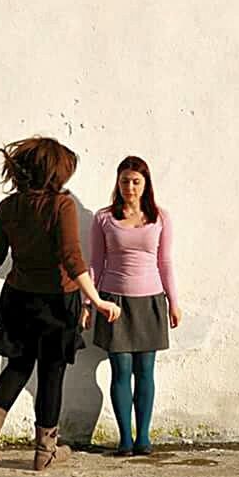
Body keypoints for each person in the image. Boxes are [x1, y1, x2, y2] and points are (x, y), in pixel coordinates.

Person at [0, 136, 121, 471]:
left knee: (17, 365)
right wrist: (96, 299)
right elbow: (72, 258)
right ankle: (45, 450)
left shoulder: (8, 207)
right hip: (57, 302)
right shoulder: (62, 205)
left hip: (17, 299)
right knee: (51, 373)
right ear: (54, 171)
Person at [82, 155, 182, 456]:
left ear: (146, 183)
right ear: (118, 182)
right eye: (125, 181)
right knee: (121, 370)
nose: (130, 186)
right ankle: (125, 438)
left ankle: (144, 437)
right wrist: (89, 302)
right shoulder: (104, 218)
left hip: (150, 301)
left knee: (145, 370)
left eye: (136, 181)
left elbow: (165, 262)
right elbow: (96, 263)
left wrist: (173, 302)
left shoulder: (160, 217)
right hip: (115, 302)